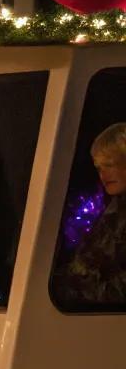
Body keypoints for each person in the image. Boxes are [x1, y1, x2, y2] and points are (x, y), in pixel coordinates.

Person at [57, 122, 126, 308]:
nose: (103, 175)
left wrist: (74, 288)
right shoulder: (109, 212)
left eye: (109, 165)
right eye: (98, 168)